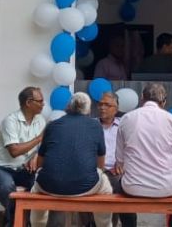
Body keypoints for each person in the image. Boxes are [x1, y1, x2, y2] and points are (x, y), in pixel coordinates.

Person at [32, 92, 114, 227]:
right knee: (106, 188)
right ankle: (104, 225)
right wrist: (94, 175)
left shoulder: (52, 125)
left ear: (68, 107)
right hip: (87, 186)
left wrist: (41, 173)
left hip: (49, 186)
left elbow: (41, 159)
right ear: (88, 110)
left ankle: (37, 225)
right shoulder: (96, 126)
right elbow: (100, 161)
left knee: (35, 189)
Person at [117, 83, 172, 227]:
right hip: (167, 187)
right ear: (164, 102)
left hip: (132, 187)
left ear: (142, 98)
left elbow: (119, 158)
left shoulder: (127, 118)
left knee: (118, 188)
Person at [0, 86, 47, 227]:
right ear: (28, 103)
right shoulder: (10, 121)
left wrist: (35, 156)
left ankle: (26, 221)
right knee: (7, 187)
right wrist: (39, 138)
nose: (43, 104)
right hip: (1, 168)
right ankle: (16, 222)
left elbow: (43, 147)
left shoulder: (40, 120)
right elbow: (14, 151)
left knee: (42, 183)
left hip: (23, 169)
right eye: (40, 101)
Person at [97, 92, 136, 227]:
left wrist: (123, 163)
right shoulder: (91, 125)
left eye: (107, 105)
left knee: (125, 191)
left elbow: (133, 149)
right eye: (100, 104)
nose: (102, 108)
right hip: (96, 171)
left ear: (116, 108)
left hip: (117, 171)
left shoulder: (124, 125)